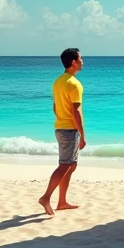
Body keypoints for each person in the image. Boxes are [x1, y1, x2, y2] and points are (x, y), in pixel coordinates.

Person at [38, 48, 86, 216]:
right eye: (80, 58)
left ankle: (62, 202)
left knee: (71, 165)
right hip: (69, 129)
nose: (82, 61)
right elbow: (76, 112)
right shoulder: (74, 84)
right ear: (73, 62)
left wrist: (61, 119)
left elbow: (55, 106)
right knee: (65, 165)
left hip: (60, 127)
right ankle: (46, 197)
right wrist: (83, 136)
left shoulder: (58, 81)